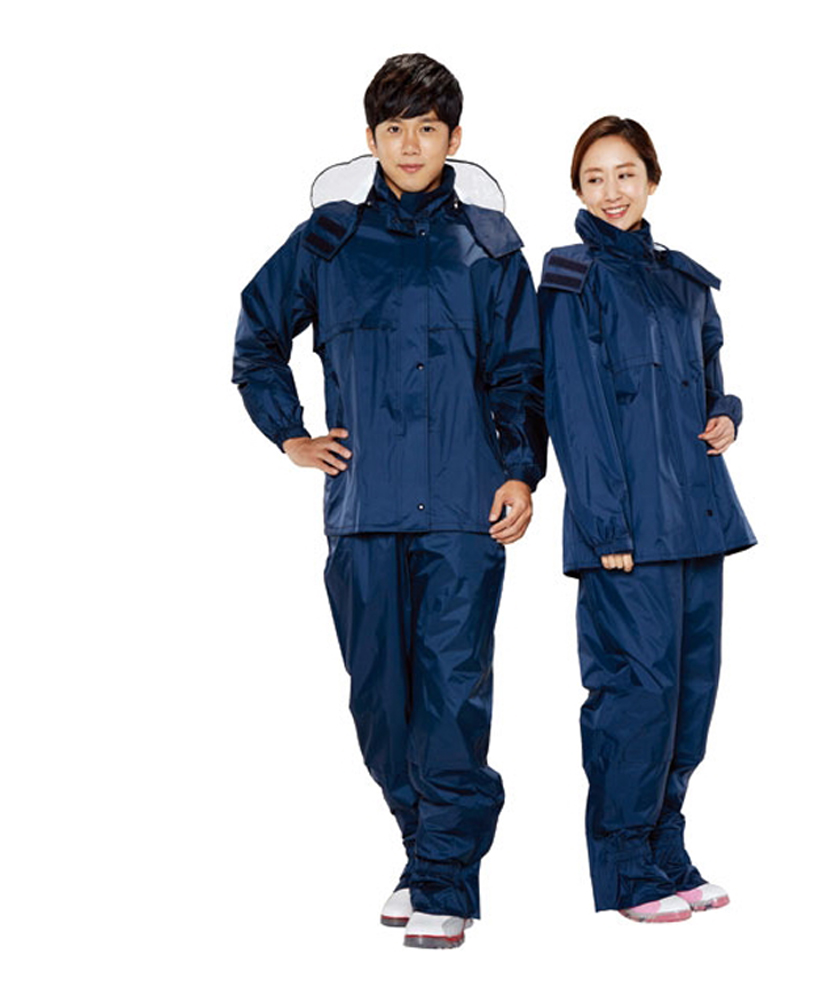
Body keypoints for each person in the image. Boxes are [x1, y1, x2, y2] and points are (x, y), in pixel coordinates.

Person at [232, 54, 546, 949]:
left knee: (451, 699)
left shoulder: (490, 247)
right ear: (370, 138)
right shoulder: (327, 240)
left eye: (428, 129)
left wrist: (520, 471)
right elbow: (256, 339)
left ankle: (446, 877)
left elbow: (522, 374)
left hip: (462, 511)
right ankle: (424, 849)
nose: (411, 146)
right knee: (379, 703)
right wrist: (290, 434)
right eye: (395, 129)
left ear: (455, 137)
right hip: (363, 508)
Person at [538, 116, 755, 923]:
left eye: (625, 174)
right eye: (594, 178)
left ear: (652, 181)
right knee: (636, 698)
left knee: (690, 696)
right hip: (626, 533)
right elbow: (575, 410)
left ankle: (667, 849)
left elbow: (712, 377)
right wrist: (607, 530)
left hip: (699, 518)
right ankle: (628, 868)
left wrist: (728, 414)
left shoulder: (684, 282)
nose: (612, 191)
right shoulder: (572, 277)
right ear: (578, 188)